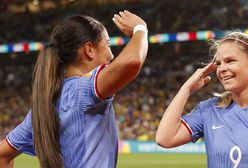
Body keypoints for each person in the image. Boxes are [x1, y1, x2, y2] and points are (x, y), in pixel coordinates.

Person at [0, 10, 148, 168]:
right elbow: (132, 61)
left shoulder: (42, 108)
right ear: (89, 49)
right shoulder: (84, 90)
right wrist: (141, 28)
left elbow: (3, 156)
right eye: (108, 45)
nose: (111, 55)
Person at [156, 32, 248, 168]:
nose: (221, 68)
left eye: (230, 61)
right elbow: (165, 138)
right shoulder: (208, 110)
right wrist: (186, 88)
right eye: (218, 63)